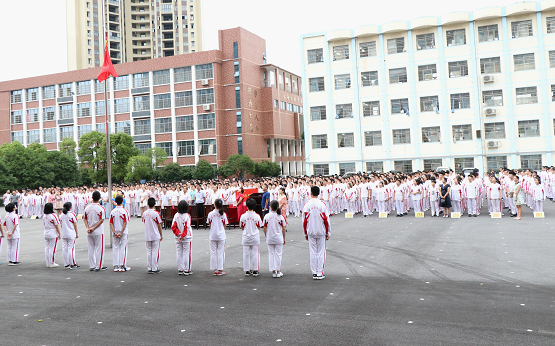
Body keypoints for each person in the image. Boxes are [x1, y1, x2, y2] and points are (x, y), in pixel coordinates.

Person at [302, 186, 330, 280]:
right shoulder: (322, 204)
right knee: (321, 252)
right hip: (321, 231)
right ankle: (319, 272)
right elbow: (326, 219)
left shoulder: (307, 205)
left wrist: (305, 233)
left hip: (310, 231)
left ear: (311, 193)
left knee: (313, 252)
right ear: (319, 193)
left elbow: (304, 221)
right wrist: (328, 232)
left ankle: (314, 272)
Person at [84, 191, 107, 272]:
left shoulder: (87, 207)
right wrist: (93, 228)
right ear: (100, 198)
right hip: (98, 230)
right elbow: (102, 220)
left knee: (91, 248)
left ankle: (92, 265)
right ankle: (98, 265)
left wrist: (88, 228)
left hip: (89, 230)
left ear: (92, 198)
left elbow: (85, 219)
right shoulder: (101, 208)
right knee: (99, 248)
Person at [264, 200, 286, 278]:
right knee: (278, 254)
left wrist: (266, 236)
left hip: (270, 237)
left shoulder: (267, 216)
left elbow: (265, 227)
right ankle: (278, 271)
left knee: (271, 254)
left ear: (270, 207)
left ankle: (273, 271)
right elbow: (283, 228)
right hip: (278, 237)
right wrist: (284, 238)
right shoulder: (280, 217)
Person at [240, 198, 262, 277]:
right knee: (255, 253)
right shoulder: (257, 216)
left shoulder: (243, 216)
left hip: (246, 236)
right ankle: (255, 270)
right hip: (255, 236)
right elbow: (259, 226)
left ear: (246, 206)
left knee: (246, 254)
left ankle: (247, 270)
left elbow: (242, 226)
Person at [171, 200, 193, 276]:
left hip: (178, 237)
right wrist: (182, 236)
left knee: (179, 253)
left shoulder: (176, 215)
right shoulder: (187, 216)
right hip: (186, 237)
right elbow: (187, 227)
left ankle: (180, 269)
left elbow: (173, 227)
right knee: (187, 253)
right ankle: (187, 269)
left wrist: (179, 235)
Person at [207, 198, 228, 276]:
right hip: (221, 235)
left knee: (213, 252)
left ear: (214, 205)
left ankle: (215, 269)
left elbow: (209, 224)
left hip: (213, 235)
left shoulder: (210, 214)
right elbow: (225, 225)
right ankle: (220, 269)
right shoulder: (223, 214)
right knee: (221, 252)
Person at [110, 195, 131, 272]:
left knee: (115, 248)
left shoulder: (113, 211)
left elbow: (111, 223)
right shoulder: (124, 211)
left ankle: (115, 266)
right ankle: (122, 265)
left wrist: (114, 232)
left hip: (115, 231)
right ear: (122, 201)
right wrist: (121, 232)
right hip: (123, 232)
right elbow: (125, 223)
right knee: (123, 248)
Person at [142, 197, 163, 274]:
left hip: (147, 234)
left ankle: (149, 267)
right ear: (155, 204)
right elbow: (159, 225)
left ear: (147, 204)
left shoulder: (144, 213)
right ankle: (155, 267)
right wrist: (161, 235)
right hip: (155, 234)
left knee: (149, 251)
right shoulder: (156, 213)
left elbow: (144, 221)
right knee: (155, 251)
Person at [61, 202, 80, 269]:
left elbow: (61, 224)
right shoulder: (72, 214)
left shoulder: (61, 215)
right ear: (70, 207)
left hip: (64, 233)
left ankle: (66, 263)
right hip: (71, 233)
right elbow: (75, 225)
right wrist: (77, 233)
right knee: (71, 249)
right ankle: (72, 263)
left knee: (64, 249)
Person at [43, 202, 62, 268]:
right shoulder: (53, 215)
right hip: (53, 233)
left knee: (47, 248)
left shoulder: (44, 216)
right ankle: (51, 262)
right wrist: (59, 233)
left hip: (46, 232)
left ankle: (48, 262)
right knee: (52, 248)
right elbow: (57, 225)